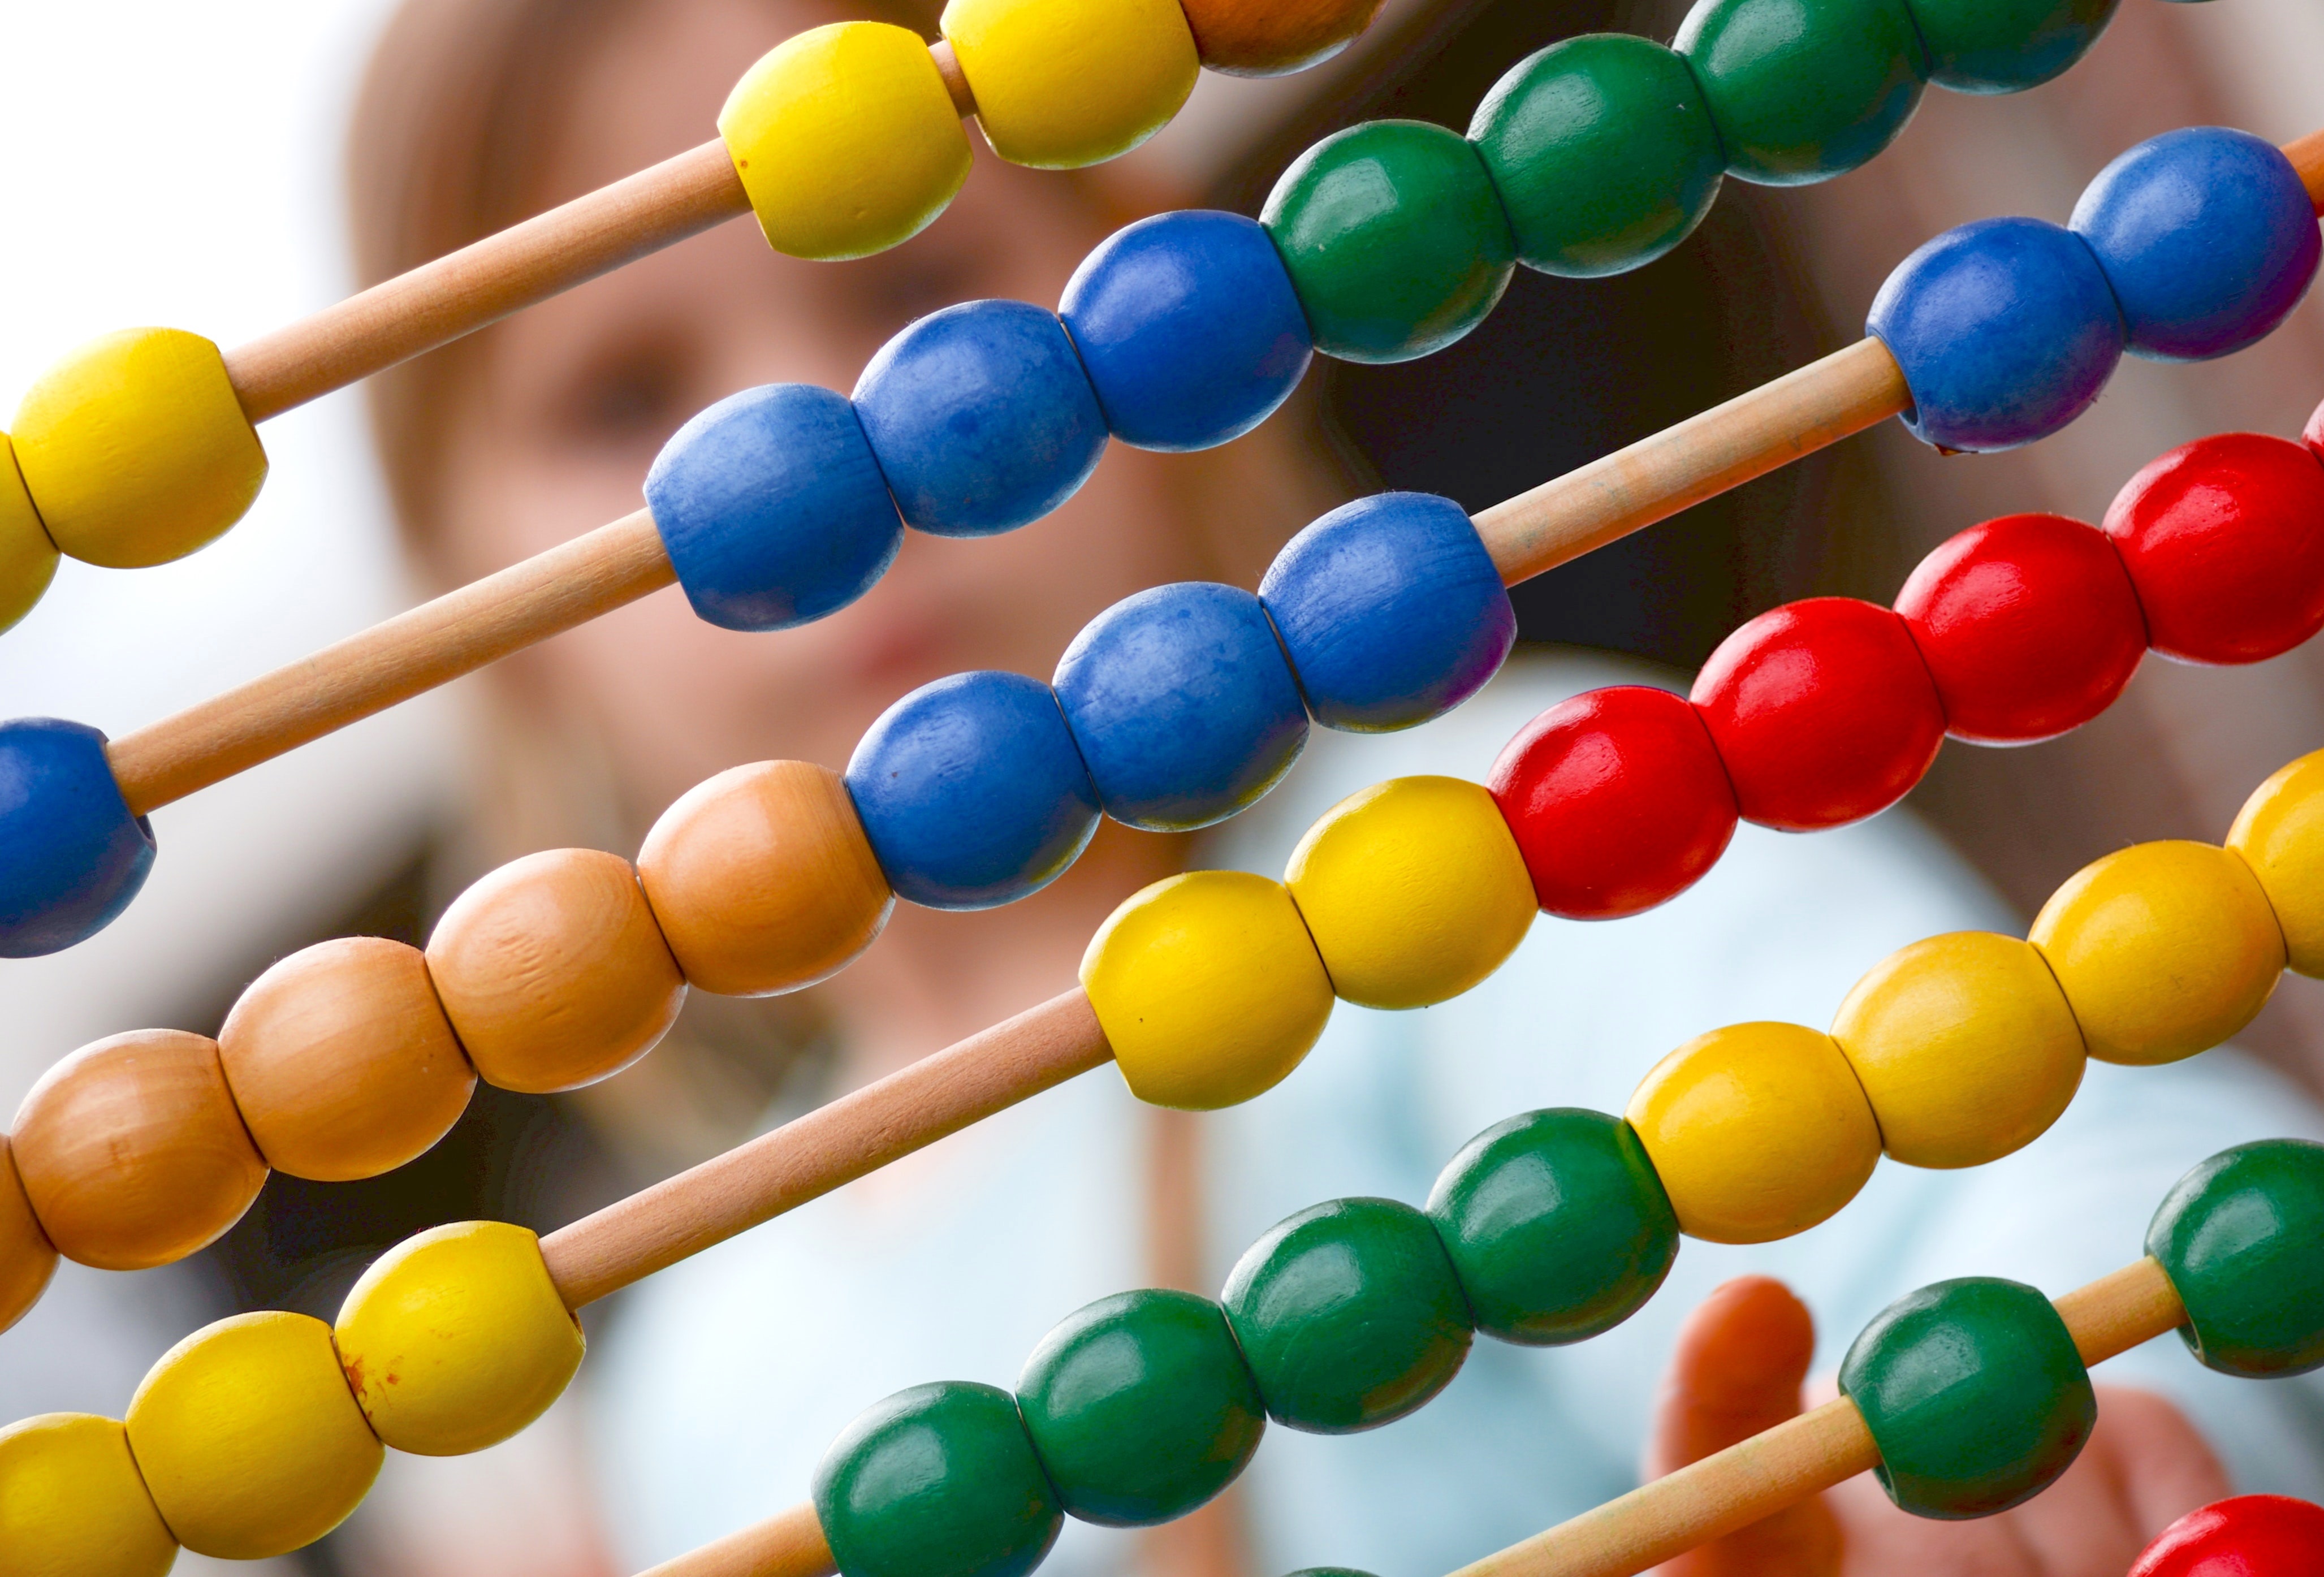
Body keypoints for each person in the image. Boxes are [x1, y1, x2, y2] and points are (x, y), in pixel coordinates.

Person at [337, 0, 2324, 1572]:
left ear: (1167, 329)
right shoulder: (682, 1375)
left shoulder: (1489, 846)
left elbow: (2020, 1141)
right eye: (624, 402)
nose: (837, 454)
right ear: (494, 613)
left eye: (907, 293)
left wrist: (2009, 1445)